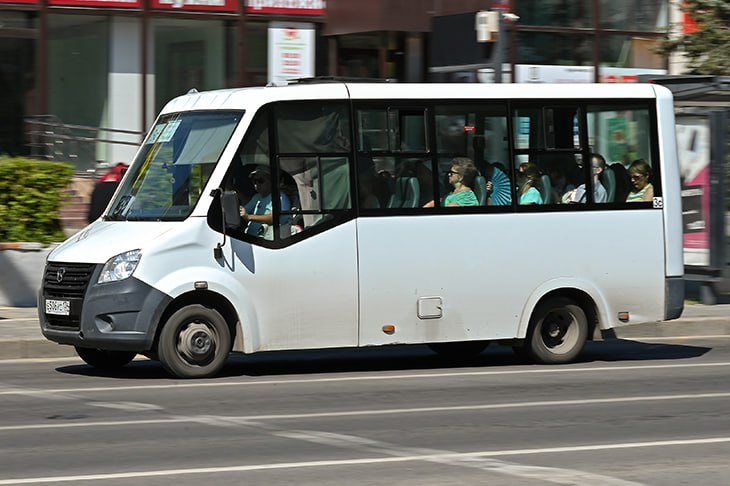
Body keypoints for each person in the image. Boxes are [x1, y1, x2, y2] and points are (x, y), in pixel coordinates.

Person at [240, 165, 291, 238]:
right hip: (250, 240)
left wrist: (249, 217)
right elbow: (244, 211)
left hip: (268, 245)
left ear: (272, 181)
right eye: (254, 181)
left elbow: (274, 218)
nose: (256, 184)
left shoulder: (280, 197)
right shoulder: (257, 197)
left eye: (260, 181)